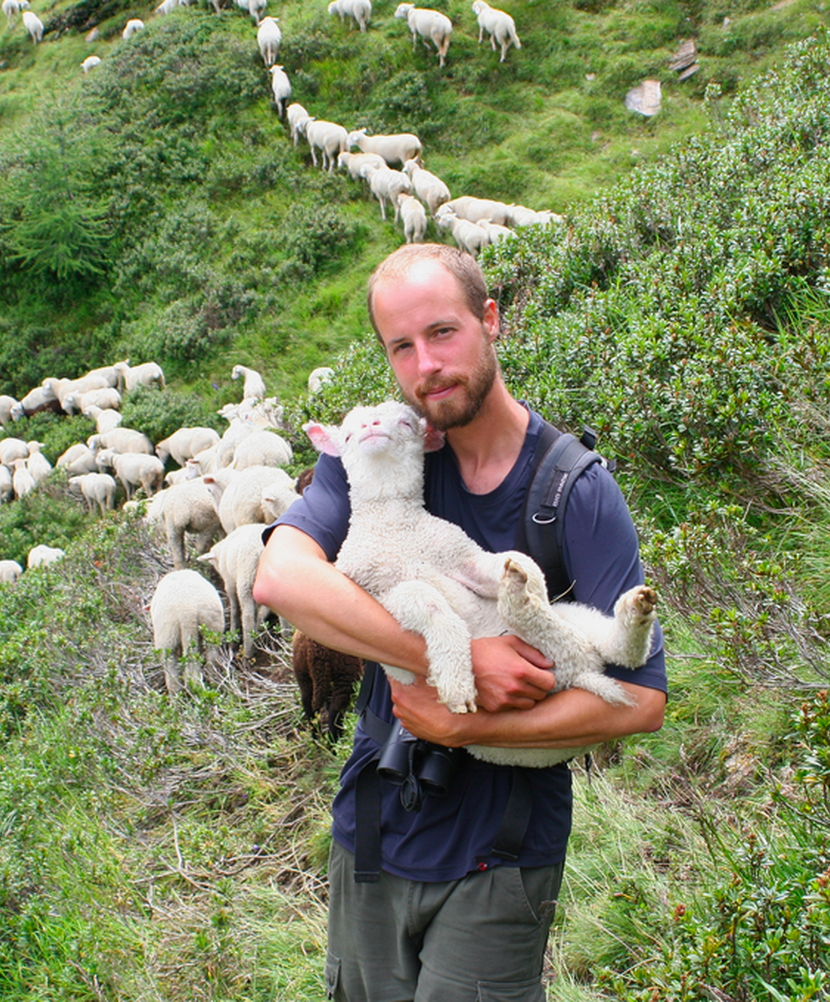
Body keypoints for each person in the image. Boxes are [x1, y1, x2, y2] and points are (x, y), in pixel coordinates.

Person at [253, 243, 667, 1002]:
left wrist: (470, 726)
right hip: (373, 834)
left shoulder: (573, 489)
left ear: (490, 321)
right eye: (400, 347)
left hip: (502, 856)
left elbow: (642, 702)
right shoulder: (384, 454)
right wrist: (447, 660)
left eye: (442, 333)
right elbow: (280, 576)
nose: (424, 367)